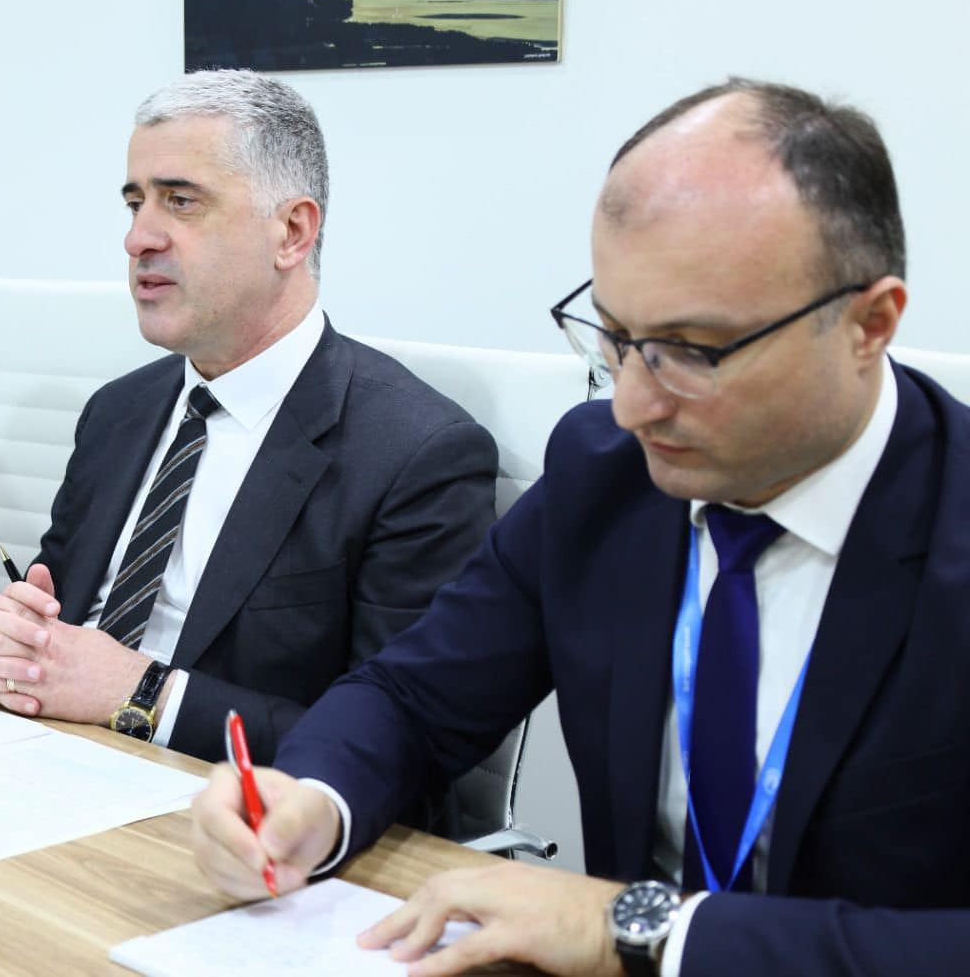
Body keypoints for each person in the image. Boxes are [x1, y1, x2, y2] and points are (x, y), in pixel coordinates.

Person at [190, 78, 970, 975]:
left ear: (870, 323)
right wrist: (311, 800)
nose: (632, 404)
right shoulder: (606, 480)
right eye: (614, 338)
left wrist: (644, 932)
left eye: (693, 352)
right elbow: (412, 697)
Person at [0, 70, 498, 764]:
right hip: (37, 761)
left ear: (292, 232)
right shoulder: (118, 412)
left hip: (228, 804)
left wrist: (141, 693)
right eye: (135, 203)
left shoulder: (416, 454)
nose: (137, 238)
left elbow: (402, 742)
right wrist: (19, 642)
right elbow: (57, 616)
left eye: (181, 201)